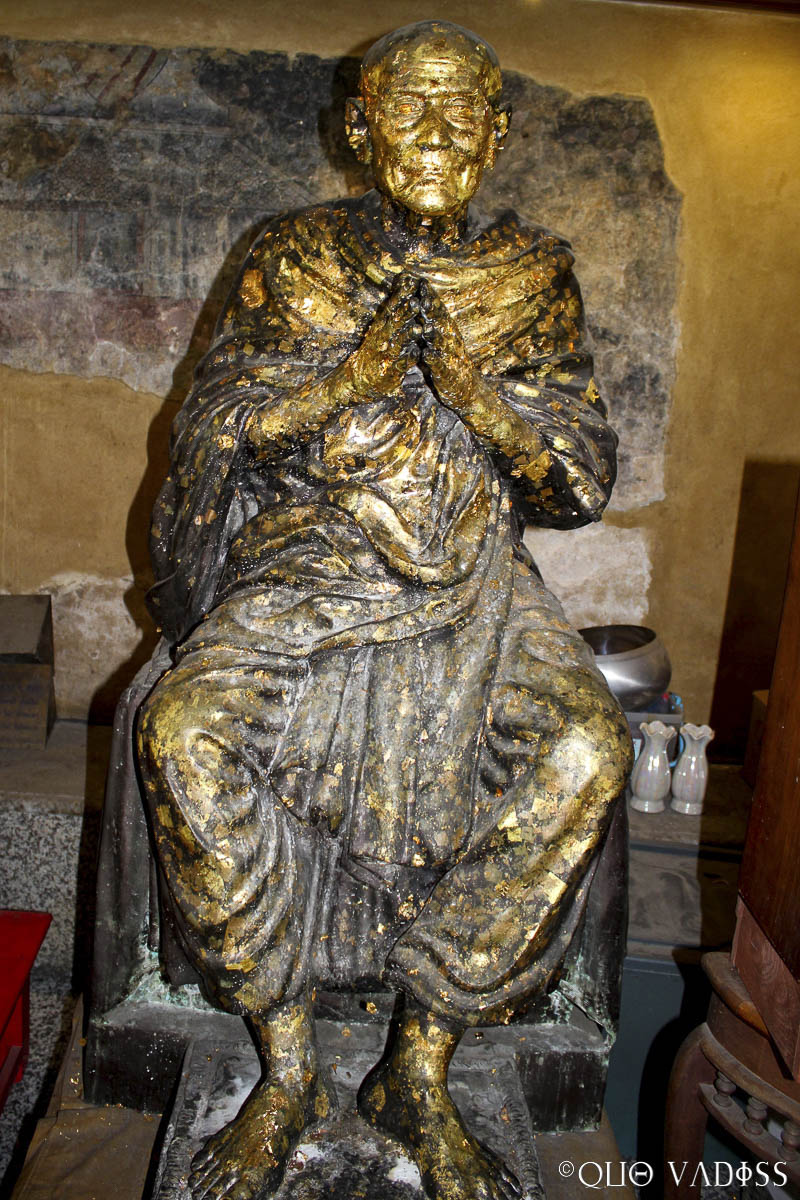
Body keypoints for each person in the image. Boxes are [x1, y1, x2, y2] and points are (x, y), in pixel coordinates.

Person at [137, 20, 633, 1200]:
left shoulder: (529, 276)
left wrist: (483, 403)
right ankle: (287, 1067)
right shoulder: (293, 256)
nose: (435, 135)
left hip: (477, 581)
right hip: (311, 567)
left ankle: (421, 1061)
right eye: (408, 107)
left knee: (587, 747)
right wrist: (335, 390)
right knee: (184, 734)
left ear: (495, 134)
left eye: (461, 112)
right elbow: (217, 428)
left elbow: (578, 482)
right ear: (359, 128)